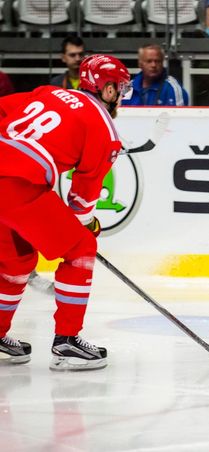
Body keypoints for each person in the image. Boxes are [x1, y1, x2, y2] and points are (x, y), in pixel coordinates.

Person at [0, 54, 130, 370]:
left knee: (17, 261)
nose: (121, 97)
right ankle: (67, 340)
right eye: (120, 89)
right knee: (81, 250)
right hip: (19, 187)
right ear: (109, 90)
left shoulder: (48, 92)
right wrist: (89, 225)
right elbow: (82, 200)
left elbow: (3, 107)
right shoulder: (103, 127)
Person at [122, 44, 189, 107]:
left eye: (157, 61)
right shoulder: (128, 87)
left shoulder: (173, 88)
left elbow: (179, 117)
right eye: (149, 61)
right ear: (140, 64)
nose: (153, 65)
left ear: (162, 63)